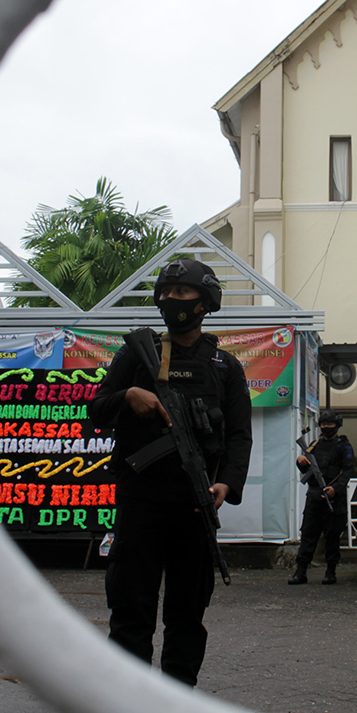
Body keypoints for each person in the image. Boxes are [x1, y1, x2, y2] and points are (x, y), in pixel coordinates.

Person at [88, 259, 252, 688]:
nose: (169, 300)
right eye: (165, 292)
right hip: (141, 503)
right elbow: (95, 410)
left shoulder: (225, 368)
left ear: (205, 302)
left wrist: (226, 482)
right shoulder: (136, 355)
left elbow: (239, 436)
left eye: (181, 293)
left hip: (194, 508)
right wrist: (128, 395)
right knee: (130, 613)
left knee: (187, 615)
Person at [289, 409, 355, 586]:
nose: (326, 427)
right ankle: (301, 571)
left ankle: (331, 571)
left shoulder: (344, 446)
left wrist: (335, 488)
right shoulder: (314, 445)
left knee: (332, 535)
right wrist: (301, 463)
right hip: (314, 496)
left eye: (330, 424)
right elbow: (307, 471)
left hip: (333, 498)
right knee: (308, 534)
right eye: (323, 424)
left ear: (337, 425)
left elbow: (347, 471)